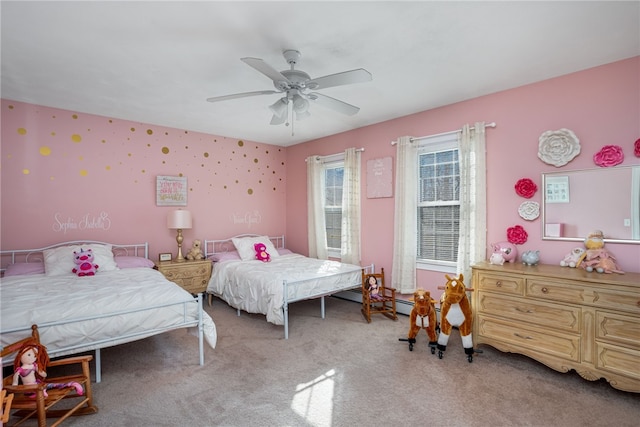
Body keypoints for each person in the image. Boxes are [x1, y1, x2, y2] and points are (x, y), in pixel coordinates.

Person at [13, 341, 83, 397]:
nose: (32, 358)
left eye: (35, 356)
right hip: (29, 389)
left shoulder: (34, 365)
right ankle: (43, 391)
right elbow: (15, 380)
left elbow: (43, 374)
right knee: (45, 386)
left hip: (37, 385)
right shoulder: (20, 370)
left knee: (51, 385)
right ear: (21, 355)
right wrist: (14, 387)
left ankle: (71, 384)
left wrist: (42, 373)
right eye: (29, 355)